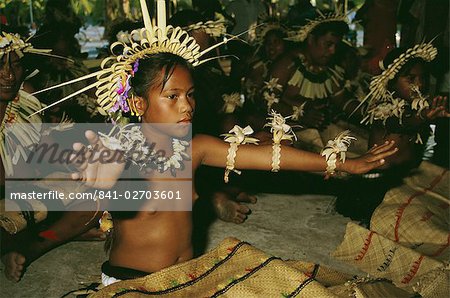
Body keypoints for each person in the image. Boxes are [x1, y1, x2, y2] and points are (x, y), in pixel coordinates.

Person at [35, 2, 397, 284]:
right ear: (137, 103)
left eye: (190, 95)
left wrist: (345, 163)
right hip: (136, 284)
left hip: (188, 276)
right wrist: (37, 243)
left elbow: (272, 157)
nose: (187, 105)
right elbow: (87, 210)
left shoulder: (196, 147)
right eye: (172, 96)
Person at [0, 28, 102, 283]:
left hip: (28, 205)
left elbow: (42, 163)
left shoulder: (24, 101)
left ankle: (32, 247)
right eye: (0, 65)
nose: (9, 75)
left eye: (16, 65)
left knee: (99, 197)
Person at [336, 42, 450, 224]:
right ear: (391, 82)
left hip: (405, 175)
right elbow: (400, 124)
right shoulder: (383, 110)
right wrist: (422, 118)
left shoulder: (418, 108)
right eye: (411, 79)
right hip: (379, 180)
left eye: (423, 78)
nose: (419, 84)